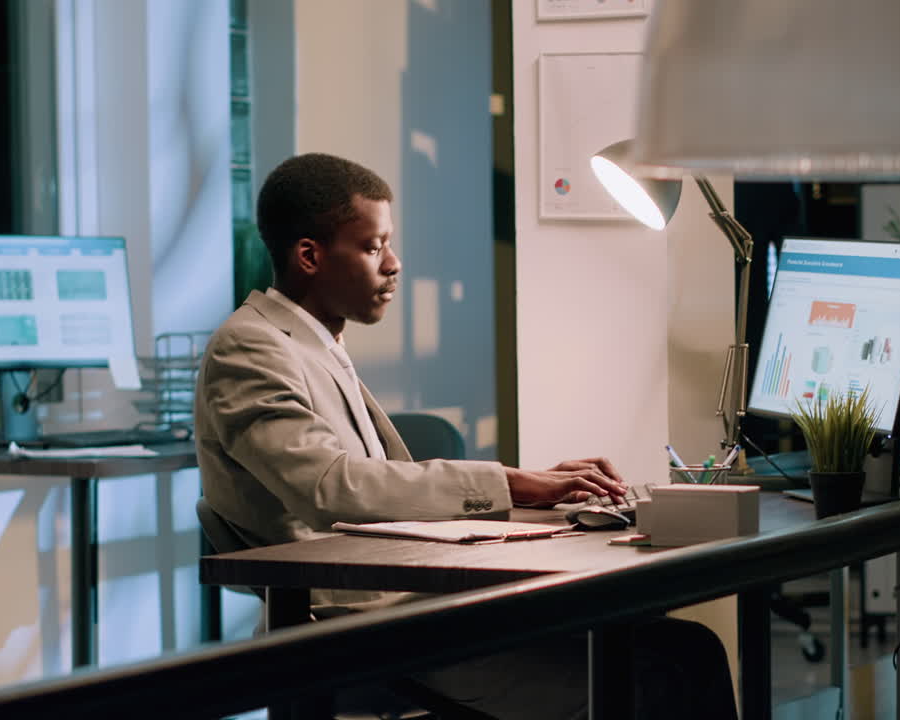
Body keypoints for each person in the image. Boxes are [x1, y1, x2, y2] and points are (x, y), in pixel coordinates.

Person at [194, 152, 738, 719]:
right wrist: (511, 483)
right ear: (309, 255)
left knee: (688, 647)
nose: (394, 264)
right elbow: (332, 486)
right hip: (356, 628)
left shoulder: (314, 344)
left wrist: (540, 492)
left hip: (408, 601)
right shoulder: (250, 347)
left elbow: (372, 493)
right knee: (655, 677)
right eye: (373, 247)